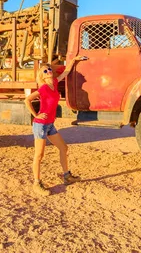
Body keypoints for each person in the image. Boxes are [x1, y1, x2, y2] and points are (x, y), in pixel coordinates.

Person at [24, 56, 88, 196]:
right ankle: (37, 183)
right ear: (41, 75)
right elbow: (27, 100)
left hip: (50, 125)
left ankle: (67, 176)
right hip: (40, 125)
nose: (49, 71)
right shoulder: (44, 88)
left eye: (49, 69)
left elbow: (66, 72)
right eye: (45, 71)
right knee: (39, 155)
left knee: (64, 148)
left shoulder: (54, 82)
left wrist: (74, 59)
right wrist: (36, 115)